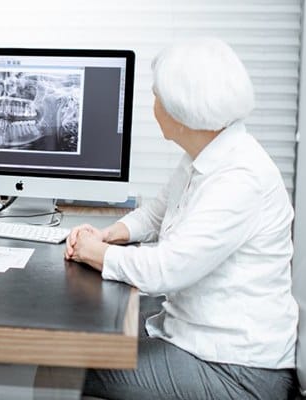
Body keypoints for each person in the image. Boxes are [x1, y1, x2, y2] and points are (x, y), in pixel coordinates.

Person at [65, 38, 298, 400]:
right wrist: (109, 234)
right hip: (195, 335)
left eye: (157, 96)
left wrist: (94, 252)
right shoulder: (206, 154)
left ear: (181, 109)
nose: (153, 105)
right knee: (88, 332)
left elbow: (166, 270)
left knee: (66, 365)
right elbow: (158, 212)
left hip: (236, 371)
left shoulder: (240, 177)